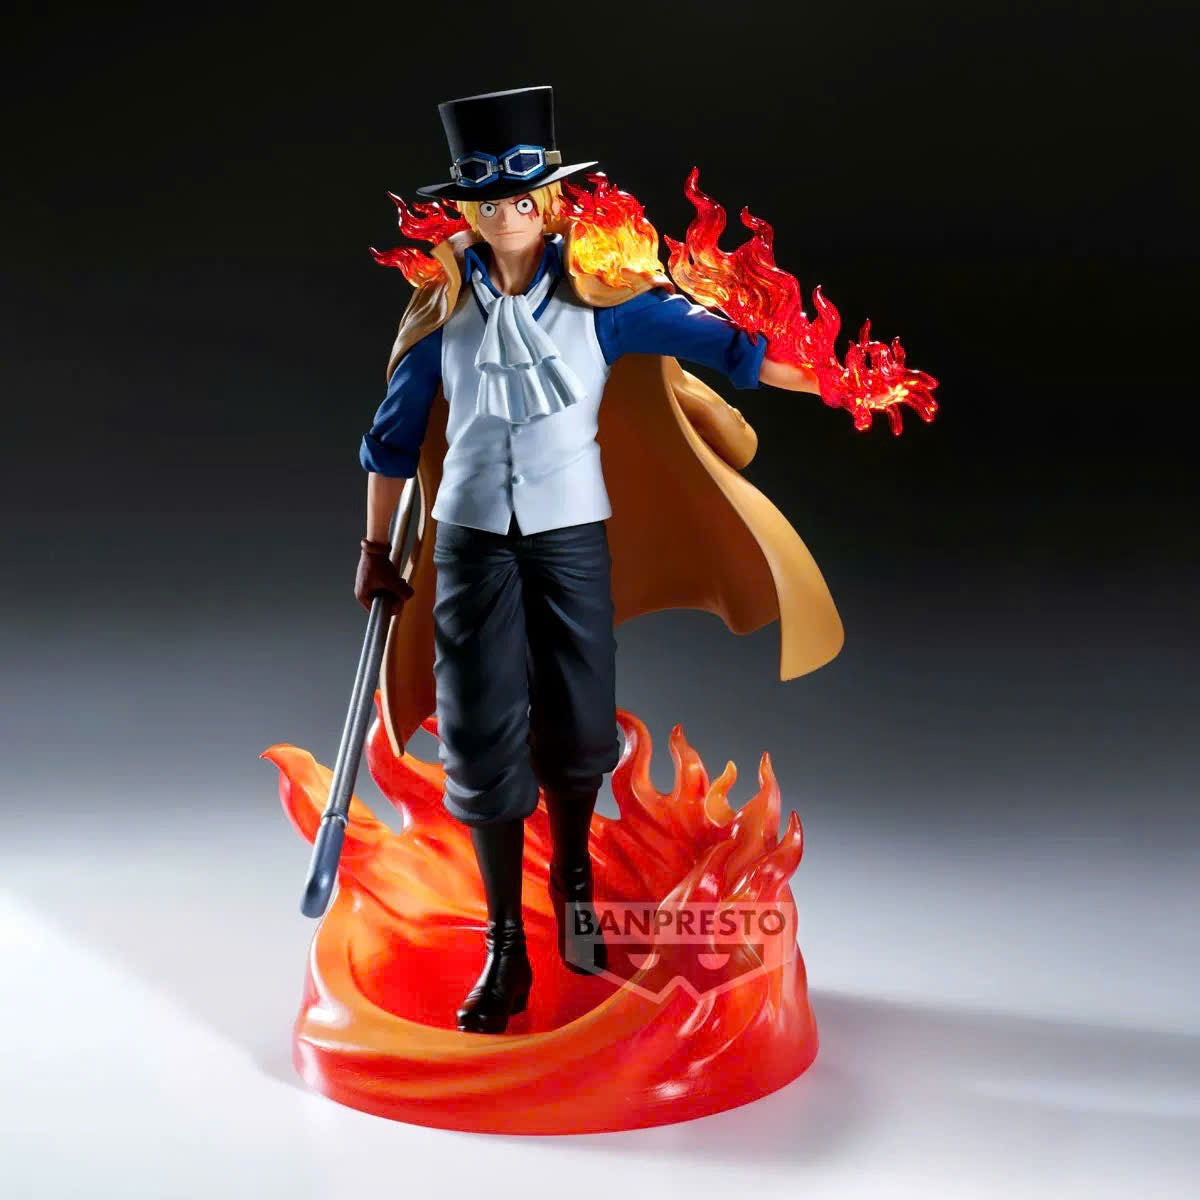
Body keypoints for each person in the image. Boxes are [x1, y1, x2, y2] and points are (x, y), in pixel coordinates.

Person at [354, 86, 843, 1034]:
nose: (506, 215)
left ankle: (574, 876)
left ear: (549, 200)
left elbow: (733, 350)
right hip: (470, 541)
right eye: (487, 201)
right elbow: (390, 440)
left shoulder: (602, 299)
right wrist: (377, 549)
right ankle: (505, 941)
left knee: (579, 724)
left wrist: (834, 379)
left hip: (571, 533)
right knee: (479, 732)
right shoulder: (442, 309)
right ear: (467, 211)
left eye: (521, 197)